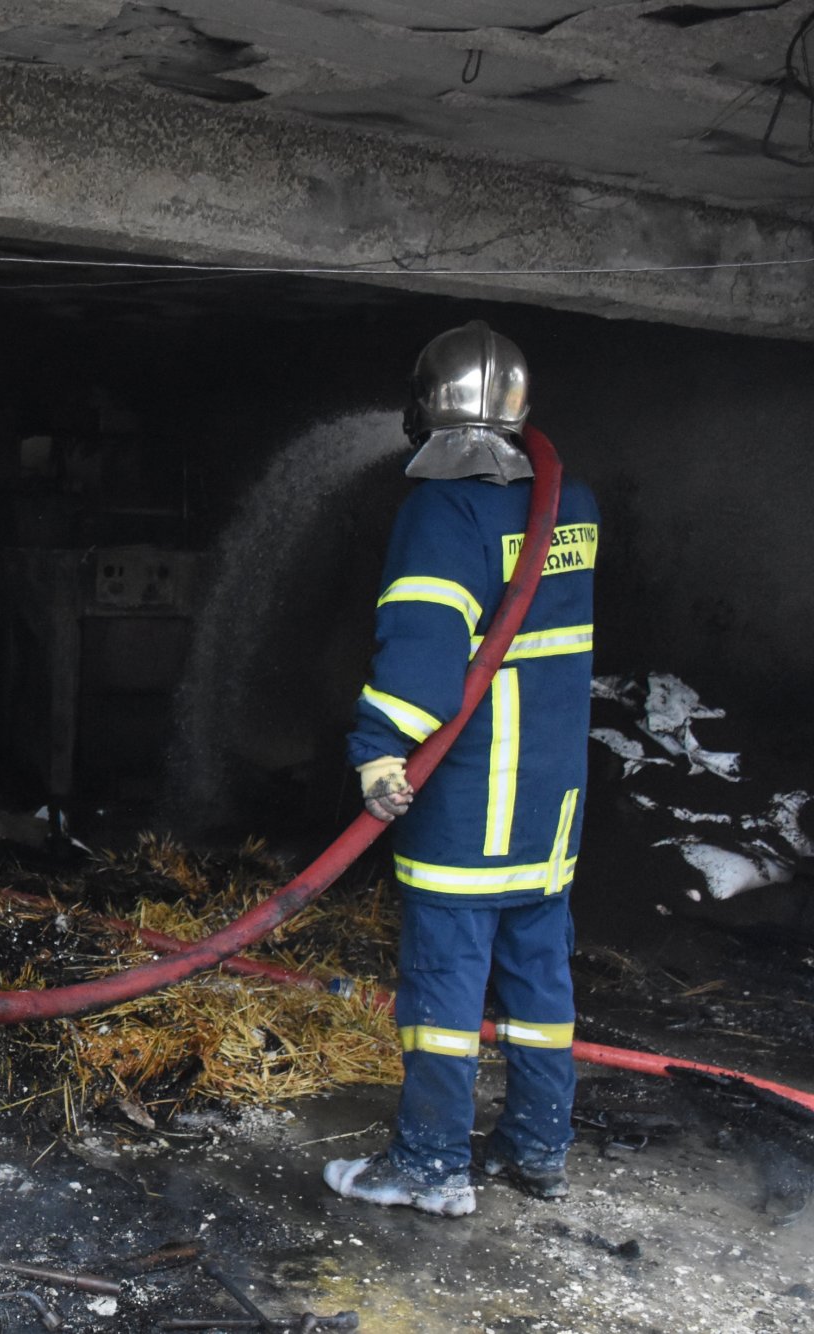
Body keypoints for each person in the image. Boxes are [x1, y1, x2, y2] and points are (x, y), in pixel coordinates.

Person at [324, 321, 598, 1217]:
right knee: (538, 981)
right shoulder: (573, 506)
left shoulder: (444, 514)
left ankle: (432, 1165)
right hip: (550, 802)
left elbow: (423, 650)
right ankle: (537, 1149)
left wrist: (377, 753)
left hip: (474, 794)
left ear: (426, 406)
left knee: (443, 987)